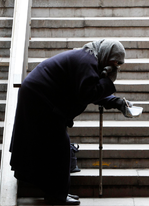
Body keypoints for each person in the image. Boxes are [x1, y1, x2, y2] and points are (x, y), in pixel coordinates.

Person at [9, 39, 132, 205]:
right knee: (59, 145)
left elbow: (87, 89)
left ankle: (55, 193)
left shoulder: (89, 60)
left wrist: (116, 102)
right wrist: (108, 82)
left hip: (41, 95)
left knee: (52, 145)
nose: (115, 66)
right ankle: (57, 195)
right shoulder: (87, 61)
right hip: (39, 97)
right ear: (106, 54)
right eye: (114, 61)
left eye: (119, 64)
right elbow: (87, 93)